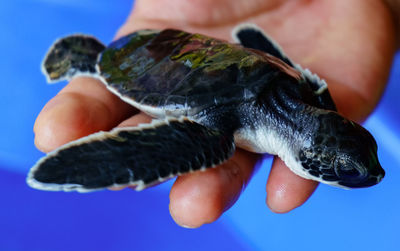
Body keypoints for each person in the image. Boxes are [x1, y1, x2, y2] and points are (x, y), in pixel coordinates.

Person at [33, 0, 398, 228]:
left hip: (203, 52)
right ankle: (91, 57)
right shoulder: (269, 107)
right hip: (151, 59)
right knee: (202, 154)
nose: (372, 174)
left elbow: (273, 59)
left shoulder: (304, 90)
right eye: (347, 170)